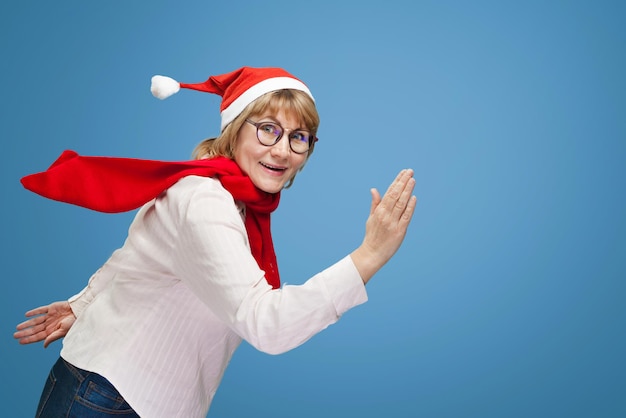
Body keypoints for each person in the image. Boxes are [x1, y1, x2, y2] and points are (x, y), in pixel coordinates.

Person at [14, 66, 417, 418]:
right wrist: (370, 256)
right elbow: (265, 322)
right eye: (268, 130)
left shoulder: (232, 198)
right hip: (111, 397)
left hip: (140, 398)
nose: (283, 150)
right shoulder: (205, 200)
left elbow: (136, 250)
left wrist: (85, 305)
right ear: (234, 129)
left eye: (299, 137)